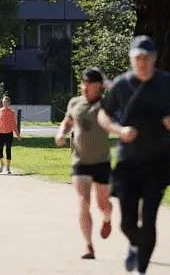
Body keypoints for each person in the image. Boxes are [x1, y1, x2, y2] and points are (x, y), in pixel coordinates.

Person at [97, 35, 170, 275]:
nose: (142, 62)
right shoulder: (122, 85)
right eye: (138, 58)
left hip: (158, 161)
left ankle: (142, 270)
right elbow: (103, 115)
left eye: (147, 58)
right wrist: (119, 130)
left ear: (154, 59)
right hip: (128, 162)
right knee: (127, 223)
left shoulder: (168, 83)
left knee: (149, 219)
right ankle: (134, 244)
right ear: (132, 59)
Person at [55, 67, 112, 260]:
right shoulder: (75, 102)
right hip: (80, 160)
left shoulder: (106, 104)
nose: (85, 86)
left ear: (99, 86)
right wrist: (61, 133)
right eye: (83, 82)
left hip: (102, 161)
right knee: (83, 202)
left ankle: (107, 218)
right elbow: (68, 121)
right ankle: (88, 246)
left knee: (103, 204)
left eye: (90, 83)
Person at [0, 96, 22, 174]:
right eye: (4, 102)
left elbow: (14, 125)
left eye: (6, 102)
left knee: (8, 150)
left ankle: (8, 168)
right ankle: (2, 163)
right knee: (0, 150)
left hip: (9, 133)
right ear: (2, 102)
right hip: (0, 133)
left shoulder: (12, 112)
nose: (5, 103)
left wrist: (18, 135)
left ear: (9, 103)